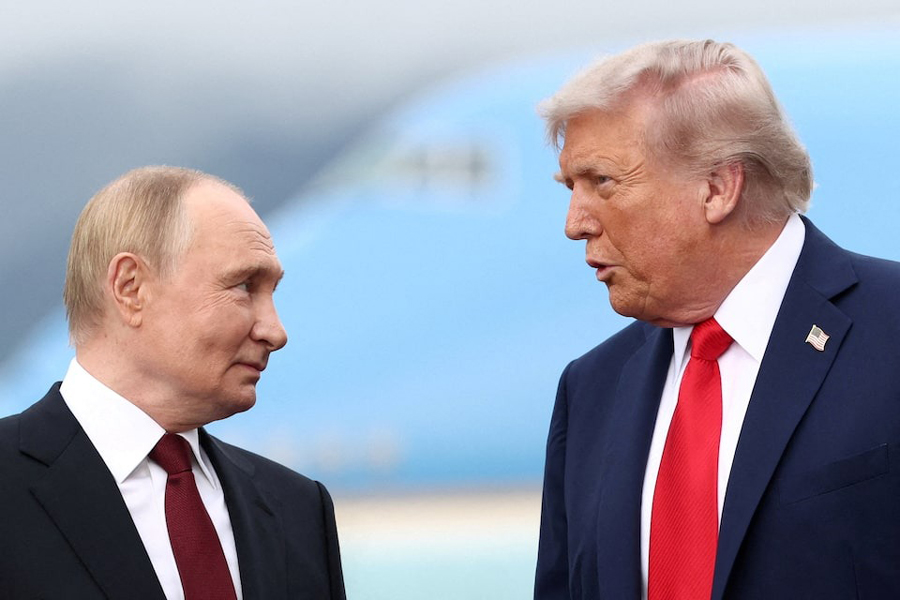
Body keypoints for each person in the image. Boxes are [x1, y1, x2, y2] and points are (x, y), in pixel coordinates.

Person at [533, 39, 900, 600]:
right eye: (570, 188)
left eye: (602, 182)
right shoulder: (591, 389)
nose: (575, 223)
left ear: (718, 188)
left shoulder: (890, 328)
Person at [0, 166, 346, 599]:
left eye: (271, 292)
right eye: (243, 286)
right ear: (131, 288)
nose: (275, 331)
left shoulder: (298, 508)